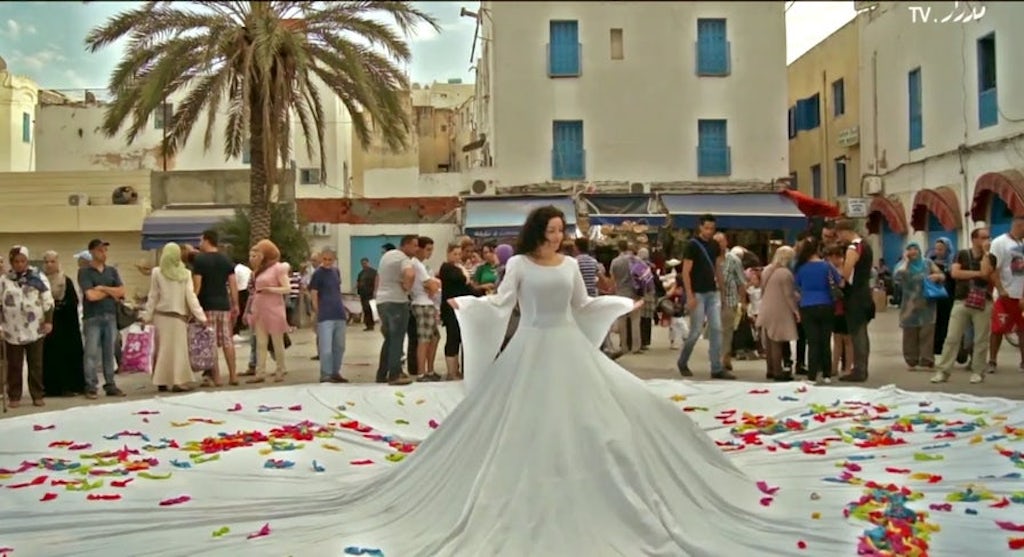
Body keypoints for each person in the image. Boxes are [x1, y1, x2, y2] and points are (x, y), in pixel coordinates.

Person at [291, 205, 841, 556]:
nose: (558, 237)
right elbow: (503, 303)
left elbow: (582, 305)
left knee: (606, 416)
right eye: (552, 231)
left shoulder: (571, 265)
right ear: (537, 232)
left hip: (568, 347)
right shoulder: (519, 265)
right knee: (525, 420)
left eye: (562, 231)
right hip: (531, 347)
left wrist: (618, 305)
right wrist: (468, 304)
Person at [931, 227, 993, 384]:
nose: (987, 240)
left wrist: (986, 253)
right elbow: (955, 273)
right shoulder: (962, 254)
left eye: (988, 237)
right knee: (952, 337)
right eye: (983, 237)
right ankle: (943, 371)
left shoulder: (990, 257)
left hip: (983, 301)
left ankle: (978, 371)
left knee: (980, 339)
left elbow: (986, 273)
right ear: (974, 239)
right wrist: (977, 274)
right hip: (962, 300)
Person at [144, 243, 208, 392]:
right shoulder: (185, 274)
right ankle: (178, 381)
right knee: (178, 351)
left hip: (161, 317)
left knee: (161, 350)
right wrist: (201, 316)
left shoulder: (157, 272)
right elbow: (191, 297)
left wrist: (147, 316)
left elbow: (153, 296)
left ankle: (161, 380)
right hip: (178, 319)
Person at [678, 214, 734, 379]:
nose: (709, 231)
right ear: (700, 227)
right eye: (707, 228)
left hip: (712, 292)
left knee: (717, 329)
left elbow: (717, 268)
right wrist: (690, 295)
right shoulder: (692, 245)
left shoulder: (714, 245)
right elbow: (686, 272)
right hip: (698, 293)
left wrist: (722, 291)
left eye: (712, 228)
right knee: (695, 331)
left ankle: (716, 368)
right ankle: (683, 361)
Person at [0, 246, 55, 408]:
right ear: (11, 262)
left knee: (36, 364)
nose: (19, 264)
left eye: (22, 261)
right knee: (14, 365)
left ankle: (37, 394)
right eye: (16, 261)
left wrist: (48, 321)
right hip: (12, 329)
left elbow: (48, 300)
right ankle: (14, 395)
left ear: (27, 261)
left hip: (35, 328)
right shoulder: (4, 280)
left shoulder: (38, 277)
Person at [77, 239, 128, 399]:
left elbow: (122, 291)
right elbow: (91, 295)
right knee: (91, 353)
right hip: (93, 317)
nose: (104, 253)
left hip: (110, 315)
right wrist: (111, 293)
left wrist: (103, 289)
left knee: (109, 352)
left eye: (105, 250)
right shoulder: (85, 272)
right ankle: (91, 385)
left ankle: (110, 384)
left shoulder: (111, 271)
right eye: (100, 250)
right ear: (92, 252)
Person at [191, 230, 239, 386]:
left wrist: (193, 304)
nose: (199, 243)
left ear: (207, 240)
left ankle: (217, 378)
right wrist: (235, 304)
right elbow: (233, 284)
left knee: (210, 342)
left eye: (201, 240)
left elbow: (197, 286)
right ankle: (233, 376)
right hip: (223, 305)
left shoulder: (200, 260)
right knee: (227, 341)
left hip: (207, 305)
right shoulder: (226, 259)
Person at [245, 240, 291, 384]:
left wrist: (271, 289)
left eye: (259, 253)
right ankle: (260, 372)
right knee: (261, 342)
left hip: (274, 308)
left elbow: (287, 288)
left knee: (277, 342)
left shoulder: (278, 268)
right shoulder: (257, 271)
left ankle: (280, 369)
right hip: (259, 308)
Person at [41, 251, 86, 398]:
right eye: (46, 262)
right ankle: (51, 388)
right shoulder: (40, 281)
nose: (49, 265)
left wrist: (59, 306)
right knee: (49, 356)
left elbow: (73, 302)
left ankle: (69, 386)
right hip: (47, 324)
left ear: (58, 262)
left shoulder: (65, 281)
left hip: (65, 325)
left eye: (52, 261)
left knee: (67, 355)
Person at [835, 219, 875, 382]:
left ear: (845, 231)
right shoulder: (866, 245)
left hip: (855, 296)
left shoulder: (854, 247)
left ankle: (859, 369)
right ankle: (862, 367)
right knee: (862, 332)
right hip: (865, 292)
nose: (839, 238)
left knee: (857, 333)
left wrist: (840, 278)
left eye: (839, 234)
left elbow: (847, 271)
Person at [375, 236, 418, 385]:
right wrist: (407, 288)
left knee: (389, 339)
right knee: (397, 338)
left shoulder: (387, 256)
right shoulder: (403, 258)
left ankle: (382, 373)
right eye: (414, 245)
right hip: (396, 301)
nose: (416, 249)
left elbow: (378, 277)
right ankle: (395, 373)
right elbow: (410, 274)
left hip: (382, 301)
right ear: (405, 245)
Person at [309, 248, 348, 384]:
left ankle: (335, 371)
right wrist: (317, 310)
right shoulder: (318, 274)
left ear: (334, 260)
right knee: (326, 348)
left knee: (339, 346)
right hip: (325, 314)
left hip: (339, 312)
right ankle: (326, 373)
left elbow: (337, 290)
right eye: (324, 259)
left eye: (330, 259)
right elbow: (314, 293)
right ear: (321, 259)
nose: (327, 262)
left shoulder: (336, 272)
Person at [356, 258, 377, 331]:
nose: (364, 265)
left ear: (368, 263)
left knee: (370, 309)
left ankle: (371, 324)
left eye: (365, 263)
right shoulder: (361, 273)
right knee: (365, 309)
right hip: (363, 294)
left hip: (370, 294)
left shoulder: (373, 272)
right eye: (362, 264)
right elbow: (358, 282)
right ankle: (368, 325)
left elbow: (376, 282)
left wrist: (375, 291)